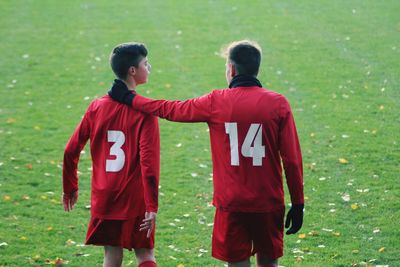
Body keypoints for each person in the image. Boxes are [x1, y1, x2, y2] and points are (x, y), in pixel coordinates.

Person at [109, 40, 304, 267]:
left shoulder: (216, 101)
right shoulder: (278, 104)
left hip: (231, 204)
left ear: (231, 69)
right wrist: (298, 203)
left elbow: (171, 109)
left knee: (237, 263)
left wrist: (130, 98)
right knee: (269, 262)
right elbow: (292, 160)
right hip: (268, 202)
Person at [62, 42, 160, 267]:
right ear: (132, 71)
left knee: (111, 255)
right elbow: (149, 163)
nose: (150, 67)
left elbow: (70, 150)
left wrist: (70, 187)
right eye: (146, 63)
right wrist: (152, 205)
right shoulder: (145, 111)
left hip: (105, 197)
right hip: (135, 198)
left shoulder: (97, 107)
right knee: (145, 254)